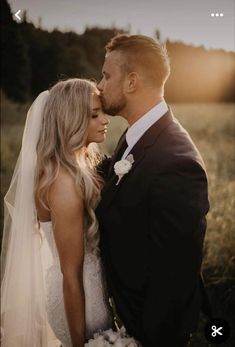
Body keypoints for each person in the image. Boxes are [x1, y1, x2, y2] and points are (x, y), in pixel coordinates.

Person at [96, 34, 210, 347]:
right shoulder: (136, 135)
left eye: (106, 76)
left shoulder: (177, 163)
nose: (99, 85)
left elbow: (174, 277)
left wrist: (143, 340)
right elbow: (118, 176)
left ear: (131, 82)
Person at [1, 78, 113, 347]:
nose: (105, 120)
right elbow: (70, 273)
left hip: (89, 288)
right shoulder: (63, 183)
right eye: (95, 115)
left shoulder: (77, 165)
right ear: (71, 120)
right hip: (81, 298)